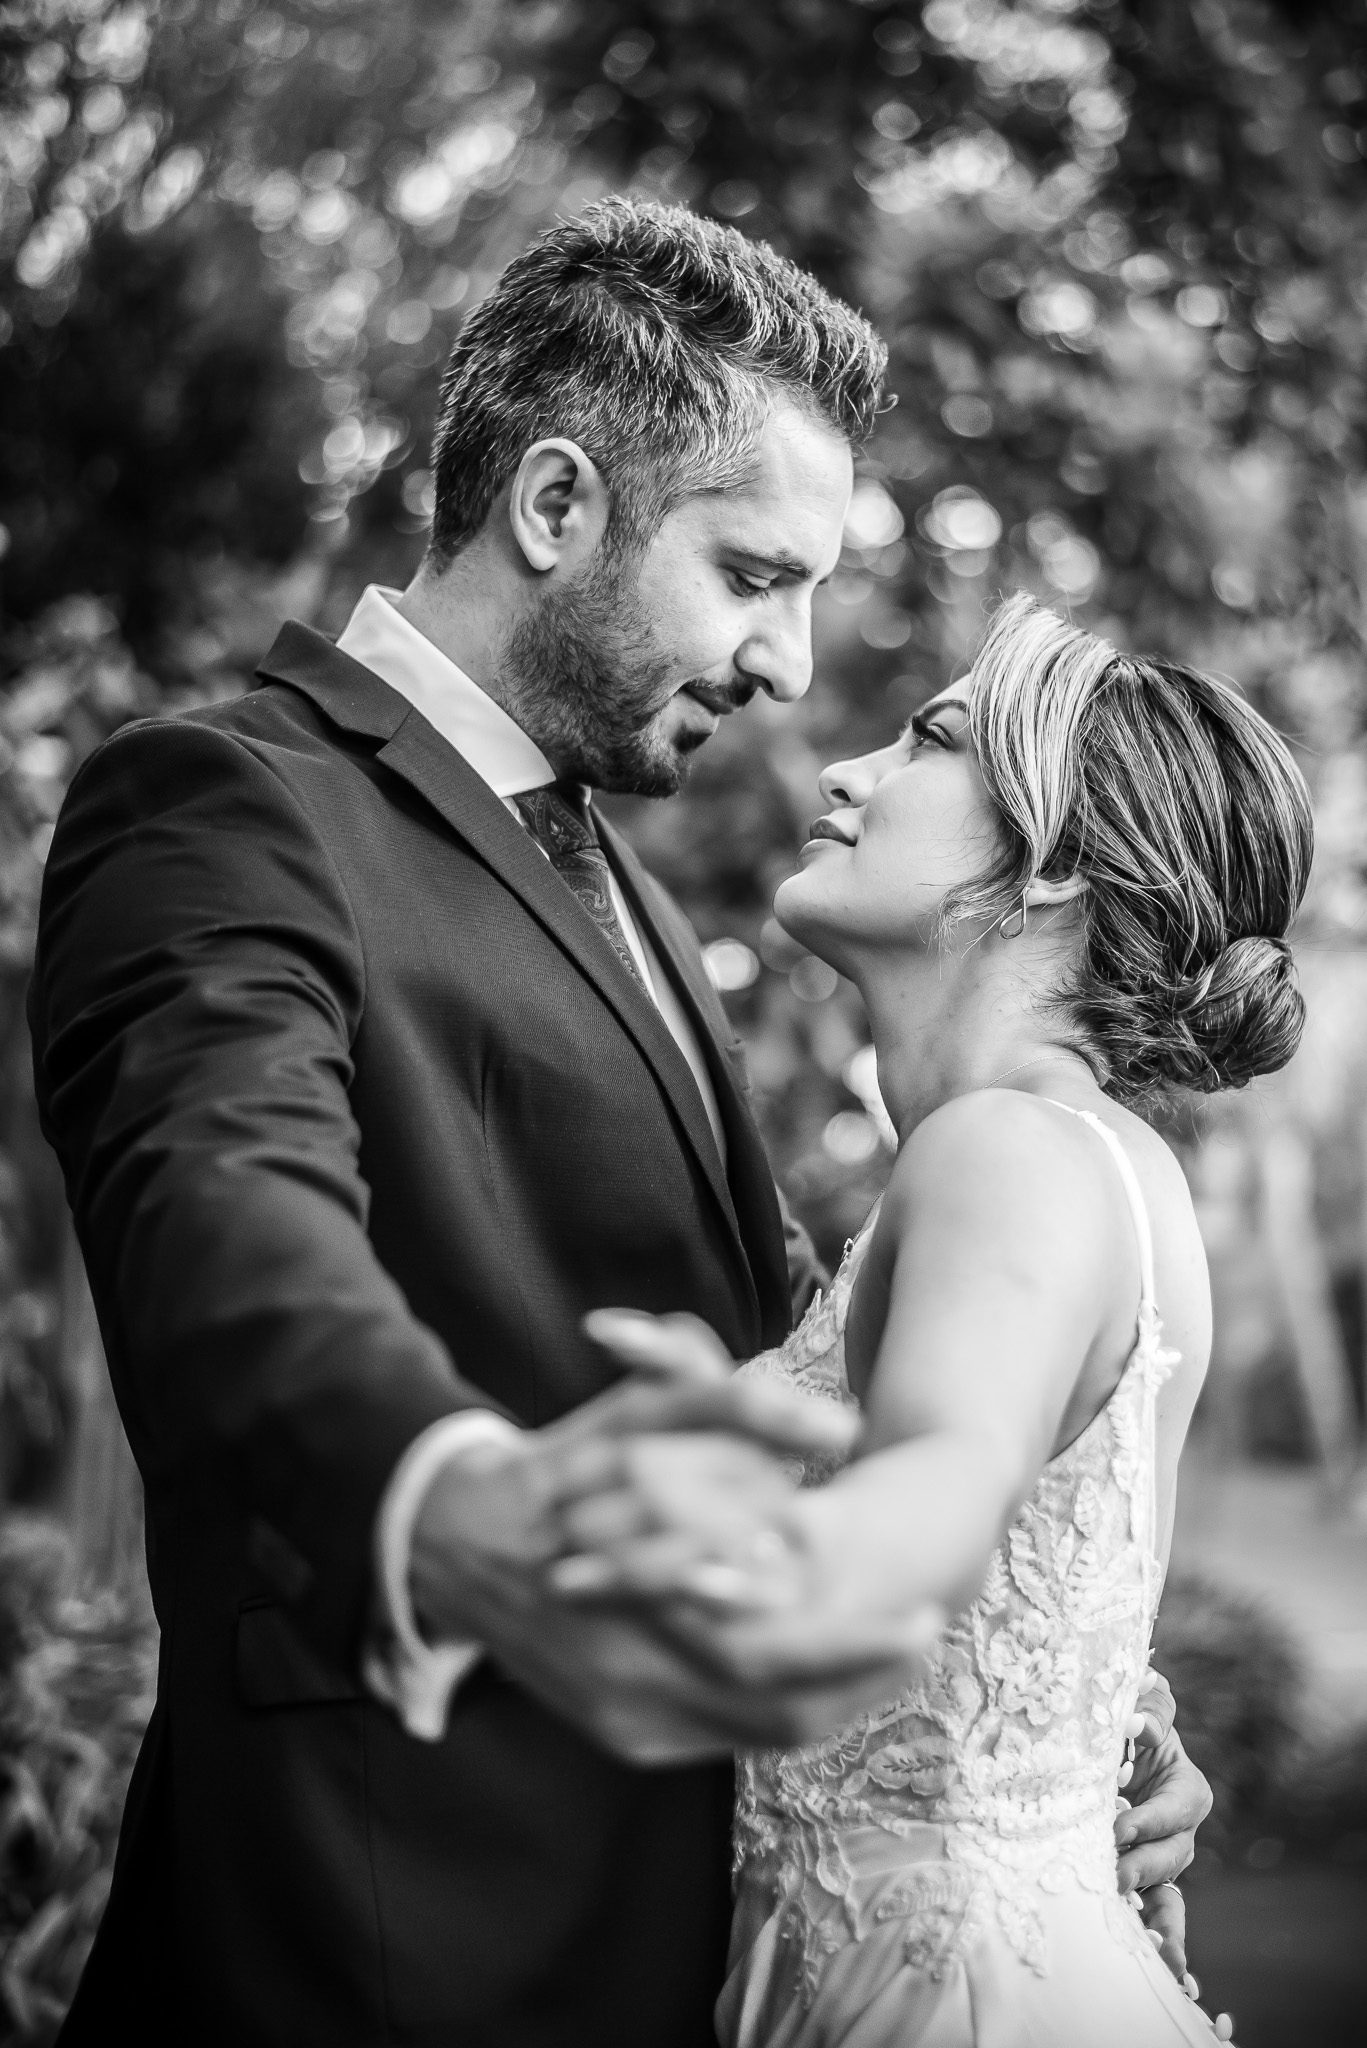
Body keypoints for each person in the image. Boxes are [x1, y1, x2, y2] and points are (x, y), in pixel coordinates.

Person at [29, 203, 1208, 2048]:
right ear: (558, 506)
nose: (798, 668)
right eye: (755, 574)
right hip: (377, 1949)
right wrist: (454, 1495)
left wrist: (1062, 1708)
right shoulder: (224, 804)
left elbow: (800, 1351)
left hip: (683, 1952)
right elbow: (225, 1233)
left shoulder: (638, 901)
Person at [547, 592, 1312, 2046]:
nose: (847, 772)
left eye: (931, 742)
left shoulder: (1008, 1151)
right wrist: (1110, 1720)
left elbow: (936, 1502)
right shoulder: (1089, 1166)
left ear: (1054, 880)